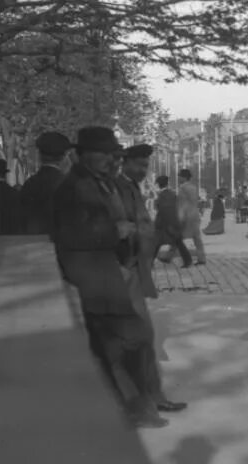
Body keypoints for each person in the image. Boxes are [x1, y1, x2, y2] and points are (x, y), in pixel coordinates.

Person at [52, 127, 165, 429]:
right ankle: (130, 409)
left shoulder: (96, 182)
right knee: (127, 339)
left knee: (125, 342)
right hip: (93, 276)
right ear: (82, 155)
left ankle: (133, 407)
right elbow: (72, 234)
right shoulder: (76, 187)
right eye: (101, 153)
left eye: (110, 153)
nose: (108, 159)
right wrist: (118, 231)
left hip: (108, 272)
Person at [117, 144, 187, 415]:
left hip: (136, 269)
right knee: (140, 336)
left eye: (145, 165)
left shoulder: (130, 187)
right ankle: (147, 398)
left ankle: (150, 396)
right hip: (126, 269)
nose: (142, 170)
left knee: (141, 337)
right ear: (124, 163)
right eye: (138, 164)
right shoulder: (121, 188)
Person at [20, 131, 71, 235]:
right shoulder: (68, 184)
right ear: (64, 156)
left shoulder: (29, 184)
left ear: (40, 155)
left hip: (33, 243)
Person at [153, 174, 192, 268]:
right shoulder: (171, 193)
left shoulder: (164, 195)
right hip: (173, 223)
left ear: (159, 184)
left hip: (166, 224)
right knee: (177, 242)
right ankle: (187, 260)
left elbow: (164, 210)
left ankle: (149, 263)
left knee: (156, 243)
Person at [177, 168, 206, 265]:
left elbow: (182, 204)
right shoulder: (194, 187)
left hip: (186, 216)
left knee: (178, 238)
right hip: (195, 215)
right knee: (197, 239)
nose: (178, 178)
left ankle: (184, 259)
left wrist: (180, 217)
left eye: (180, 176)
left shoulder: (182, 188)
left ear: (184, 177)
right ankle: (201, 259)